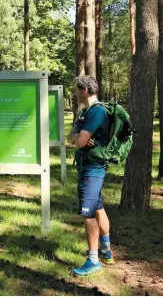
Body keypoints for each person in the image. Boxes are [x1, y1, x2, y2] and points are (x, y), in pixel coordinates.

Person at [67, 75, 114, 277]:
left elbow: (76, 141)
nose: (74, 93)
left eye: (76, 89)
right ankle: (106, 252)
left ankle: (93, 260)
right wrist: (78, 137)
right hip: (90, 166)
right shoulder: (86, 112)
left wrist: (78, 138)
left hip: (92, 168)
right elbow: (73, 137)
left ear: (84, 89)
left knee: (87, 213)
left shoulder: (96, 112)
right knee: (98, 208)